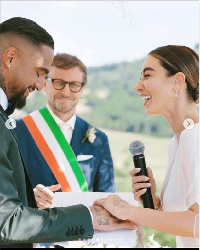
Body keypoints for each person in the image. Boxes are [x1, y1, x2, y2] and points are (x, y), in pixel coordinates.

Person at [0, 17, 135, 248]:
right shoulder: (18, 128)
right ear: (10, 57)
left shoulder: (98, 138)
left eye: (75, 85)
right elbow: (8, 221)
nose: (41, 85)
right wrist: (90, 217)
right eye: (40, 73)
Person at [94, 45, 199, 248]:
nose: (138, 86)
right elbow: (182, 221)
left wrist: (129, 211)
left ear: (177, 81)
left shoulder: (195, 138)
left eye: (147, 76)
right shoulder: (177, 142)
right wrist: (153, 202)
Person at [15, 53, 115, 209]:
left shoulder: (100, 140)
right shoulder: (16, 131)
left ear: (82, 89)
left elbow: (108, 199)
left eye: (74, 84)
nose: (66, 92)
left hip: (81, 231)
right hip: (33, 229)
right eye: (59, 83)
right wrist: (29, 198)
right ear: (45, 84)